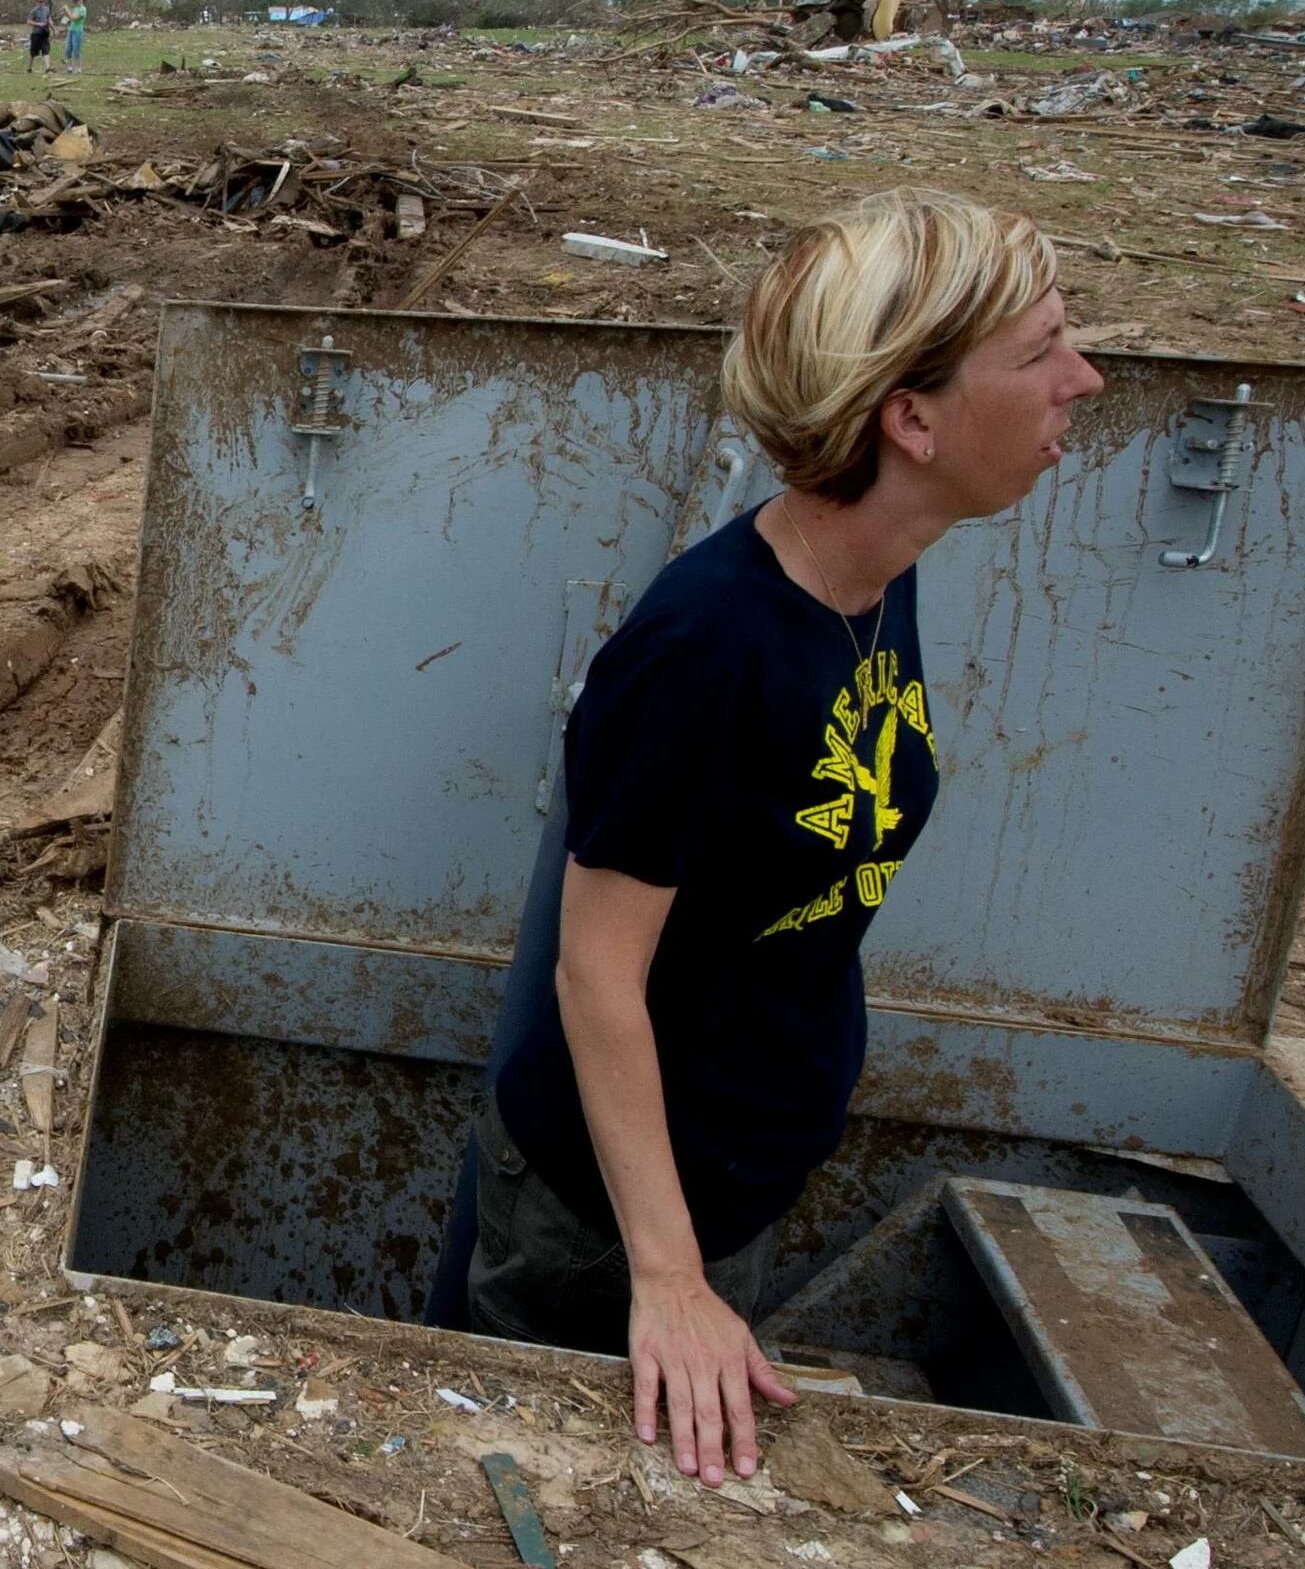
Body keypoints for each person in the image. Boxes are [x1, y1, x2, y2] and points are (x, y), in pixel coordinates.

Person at [452, 187, 1105, 1489]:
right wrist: (668, 1278)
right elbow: (595, 973)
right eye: (1040, 354)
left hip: (736, 1183)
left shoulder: (880, 569)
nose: (1083, 379)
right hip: (606, 1225)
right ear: (909, 420)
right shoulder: (703, 651)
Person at [26, 0, 55, 73]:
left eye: (43, 1)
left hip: (45, 33)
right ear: (37, 1)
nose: (42, 3)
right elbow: (28, 21)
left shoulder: (47, 9)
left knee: (46, 50)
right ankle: (29, 68)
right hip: (36, 34)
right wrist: (38, 24)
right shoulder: (34, 10)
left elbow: (49, 19)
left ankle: (47, 68)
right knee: (33, 52)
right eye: (40, 1)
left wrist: (53, 28)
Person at [62, 0, 87, 71]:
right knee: (68, 49)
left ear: (83, 0)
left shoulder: (83, 9)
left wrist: (67, 9)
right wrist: (65, 12)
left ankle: (78, 67)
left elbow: (73, 18)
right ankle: (69, 67)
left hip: (78, 31)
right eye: (78, 0)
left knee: (76, 49)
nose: (79, 1)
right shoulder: (75, 9)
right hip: (71, 30)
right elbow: (70, 17)